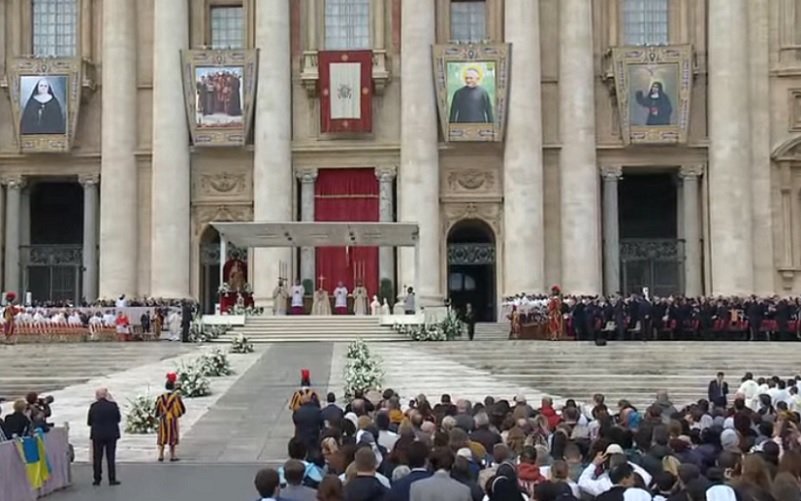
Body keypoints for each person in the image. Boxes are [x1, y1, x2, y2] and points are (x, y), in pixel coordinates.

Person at [87, 387, 121, 486]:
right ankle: (112, 479)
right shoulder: (113, 406)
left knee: (97, 457)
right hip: (111, 434)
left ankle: (97, 479)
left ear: (97, 396)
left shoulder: (93, 406)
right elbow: (118, 419)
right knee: (111, 457)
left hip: (97, 435)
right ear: (107, 395)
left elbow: (89, 422)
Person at [155, 373, 186, 462]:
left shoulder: (161, 397)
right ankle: (172, 455)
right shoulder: (175, 398)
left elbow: (157, 409)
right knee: (172, 437)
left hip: (163, 419)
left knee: (162, 437)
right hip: (172, 419)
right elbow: (181, 409)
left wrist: (159, 415)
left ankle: (161, 455)